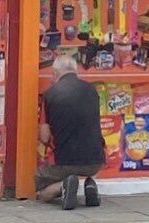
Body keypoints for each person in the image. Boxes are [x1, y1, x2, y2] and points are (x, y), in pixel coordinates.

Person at [36, 55, 106, 210]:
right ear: (75, 70)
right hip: (95, 162)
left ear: (54, 73)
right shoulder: (92, 91)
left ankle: (64, 185)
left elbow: (45, 136)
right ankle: (89, 185)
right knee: (84, 168)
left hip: (64, 162)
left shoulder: (50, 95)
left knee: (39, 188)